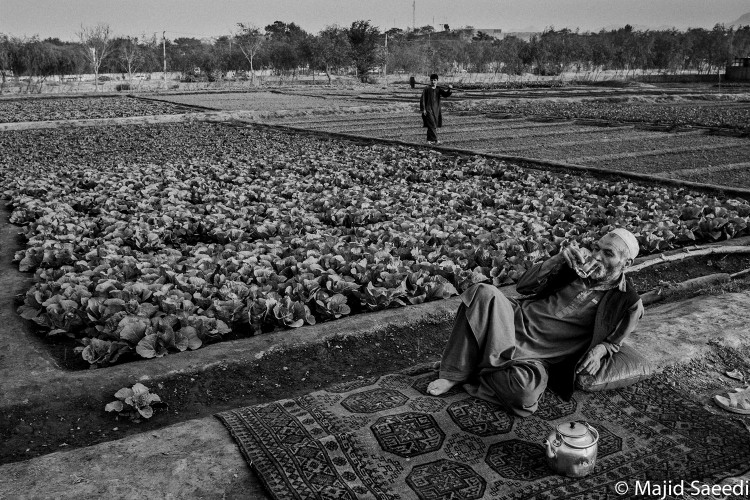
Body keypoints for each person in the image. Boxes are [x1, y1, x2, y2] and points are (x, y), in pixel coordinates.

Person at [427, 228, 644, 417]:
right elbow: (523, 286)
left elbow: (614, 342)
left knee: (524, 395)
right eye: (597, 248)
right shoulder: (573, 265)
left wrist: (601, 350)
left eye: (608, 253)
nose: (596, 256)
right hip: (513, 320)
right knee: (483, 292)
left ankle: (473, 363)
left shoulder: (629, 302)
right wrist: (557, 260)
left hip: (540, 355)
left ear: (627, 263)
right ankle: (454, 373)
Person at [420, 74, 452, 144]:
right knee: (432, 125)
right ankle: (435, 140)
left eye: (435, 80)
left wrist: (449, 89)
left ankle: (428, 141)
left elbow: (446, 94)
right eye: (431, 80)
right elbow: (422, 99)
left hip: (436, 110)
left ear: (437, 81)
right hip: (428, 110)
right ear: (430, 81)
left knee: (431, 125)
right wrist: (423, 109)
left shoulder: (438, 89)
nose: (433, 82)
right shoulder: (426, 89)